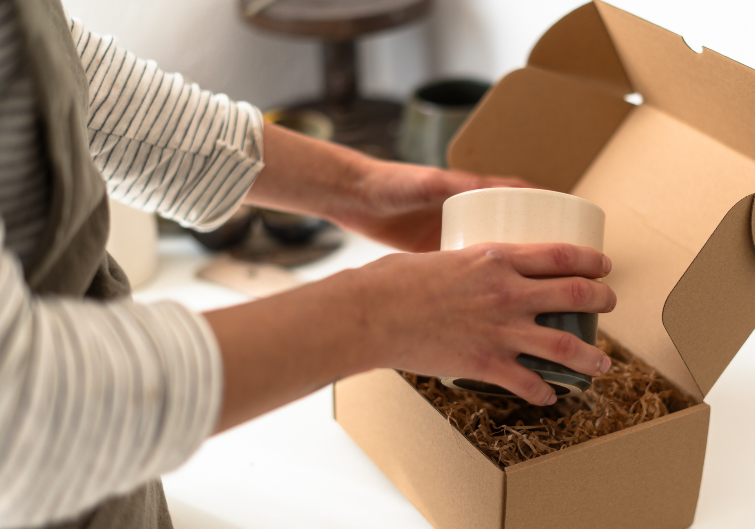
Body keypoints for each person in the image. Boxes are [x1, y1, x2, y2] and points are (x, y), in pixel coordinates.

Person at [0, 0, 617, 527]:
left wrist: (354, 186)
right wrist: (384, 314)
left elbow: (53, 72)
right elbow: (24, 407)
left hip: (114, 479)